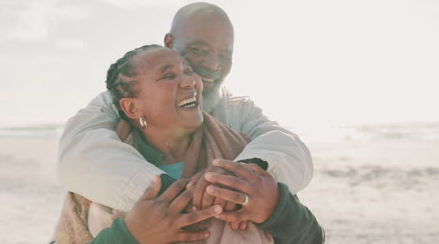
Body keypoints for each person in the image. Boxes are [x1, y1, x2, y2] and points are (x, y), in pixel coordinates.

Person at [57, 2, 313, 220]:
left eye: (224, 55)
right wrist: (175, 199)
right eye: (199, 50)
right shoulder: (121, 98)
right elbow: (77, 154)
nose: (212, 65)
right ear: (169, 43)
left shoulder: (236, 109)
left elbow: (289, 148)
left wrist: (240, 176)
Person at [53, 45, 323, 244]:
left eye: (188, 71)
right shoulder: (95, 173)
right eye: (168, 76)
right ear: (133, 107)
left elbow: (313, 238)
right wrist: (129, 236)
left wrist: (277, 209)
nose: (190, 81)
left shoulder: (243, 155)